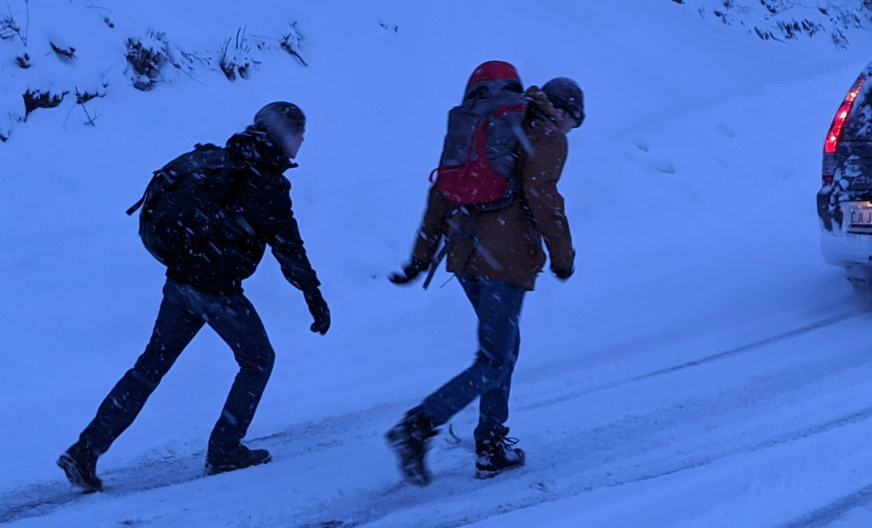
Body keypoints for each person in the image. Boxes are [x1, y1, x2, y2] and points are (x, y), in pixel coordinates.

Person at [57, 102, 331, 492]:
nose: (302, 141)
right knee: (258, 359)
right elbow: (289, 247)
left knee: (149, 367)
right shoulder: (266, 181)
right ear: (285, 137)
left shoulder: (222, 159)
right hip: (215, 290)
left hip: (181, 281)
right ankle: (224, 450)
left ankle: (85, 451)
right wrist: (314, 296)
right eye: (299, 134)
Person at [386, 69, 584, 484]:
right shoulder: (545, 134)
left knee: (502, 350)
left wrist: (421, 256)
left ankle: (491, 445)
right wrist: (563, 256)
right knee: (495, 359)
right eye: (574, 120)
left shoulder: (484, 126)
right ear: (563, 110)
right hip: (504, 259)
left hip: (464, 253)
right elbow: (544, 199)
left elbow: (439, 193)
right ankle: (417, 427)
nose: (571, 129)